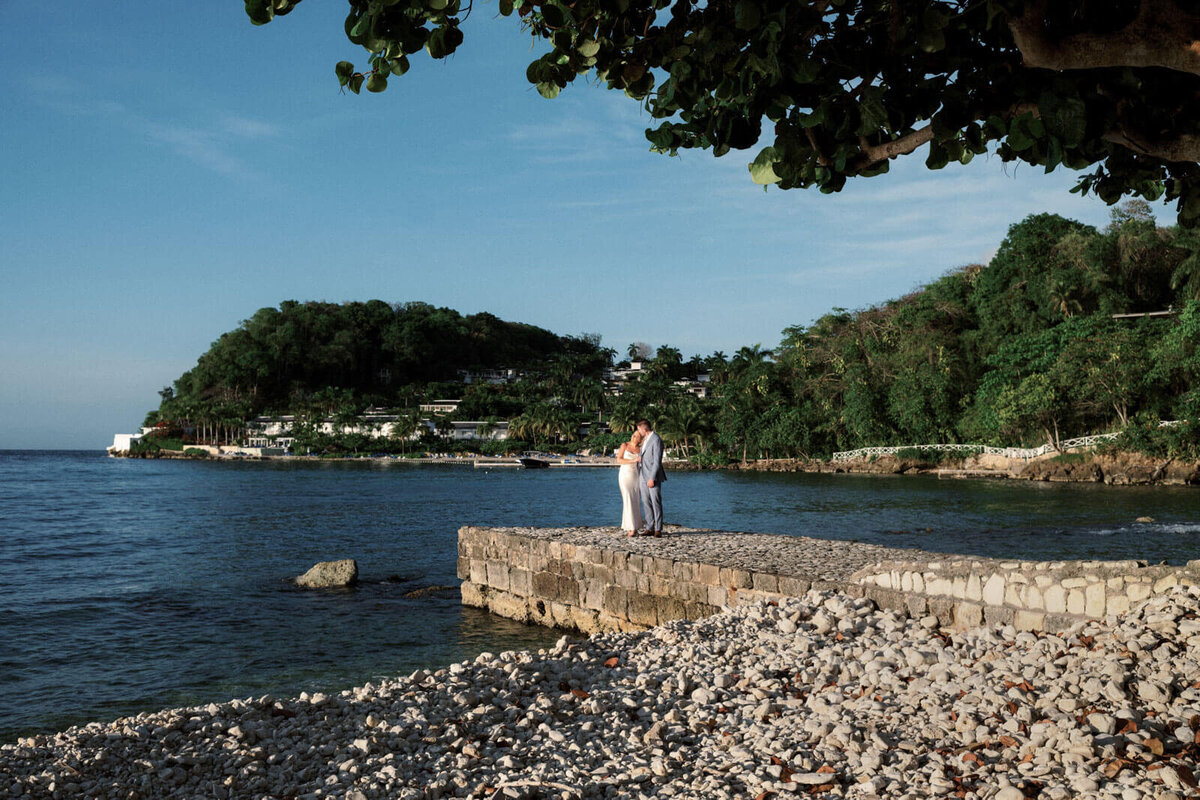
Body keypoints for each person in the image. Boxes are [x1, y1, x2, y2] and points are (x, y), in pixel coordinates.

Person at [635, 418, 666, 536]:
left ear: (644, 428)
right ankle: (649, 527)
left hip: (652, 476)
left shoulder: (656, 439)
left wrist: (652, 478)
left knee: (656, 501)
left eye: (639, 429)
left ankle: (658, 528)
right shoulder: (645, 440)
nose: (639, 432)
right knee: (646, 502)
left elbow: (657, 461)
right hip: (642, 475)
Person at [615, 430, 644, 536]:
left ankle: (635, 527)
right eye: (633, 435)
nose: (634, 437)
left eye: (637, 436)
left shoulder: (641, 448)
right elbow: (619, 460)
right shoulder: (625, 445)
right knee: (627, 499)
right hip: (625, 475)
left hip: (636, 476)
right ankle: (630, 527)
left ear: (641, 439)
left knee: (635, 499)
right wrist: (634, 460)